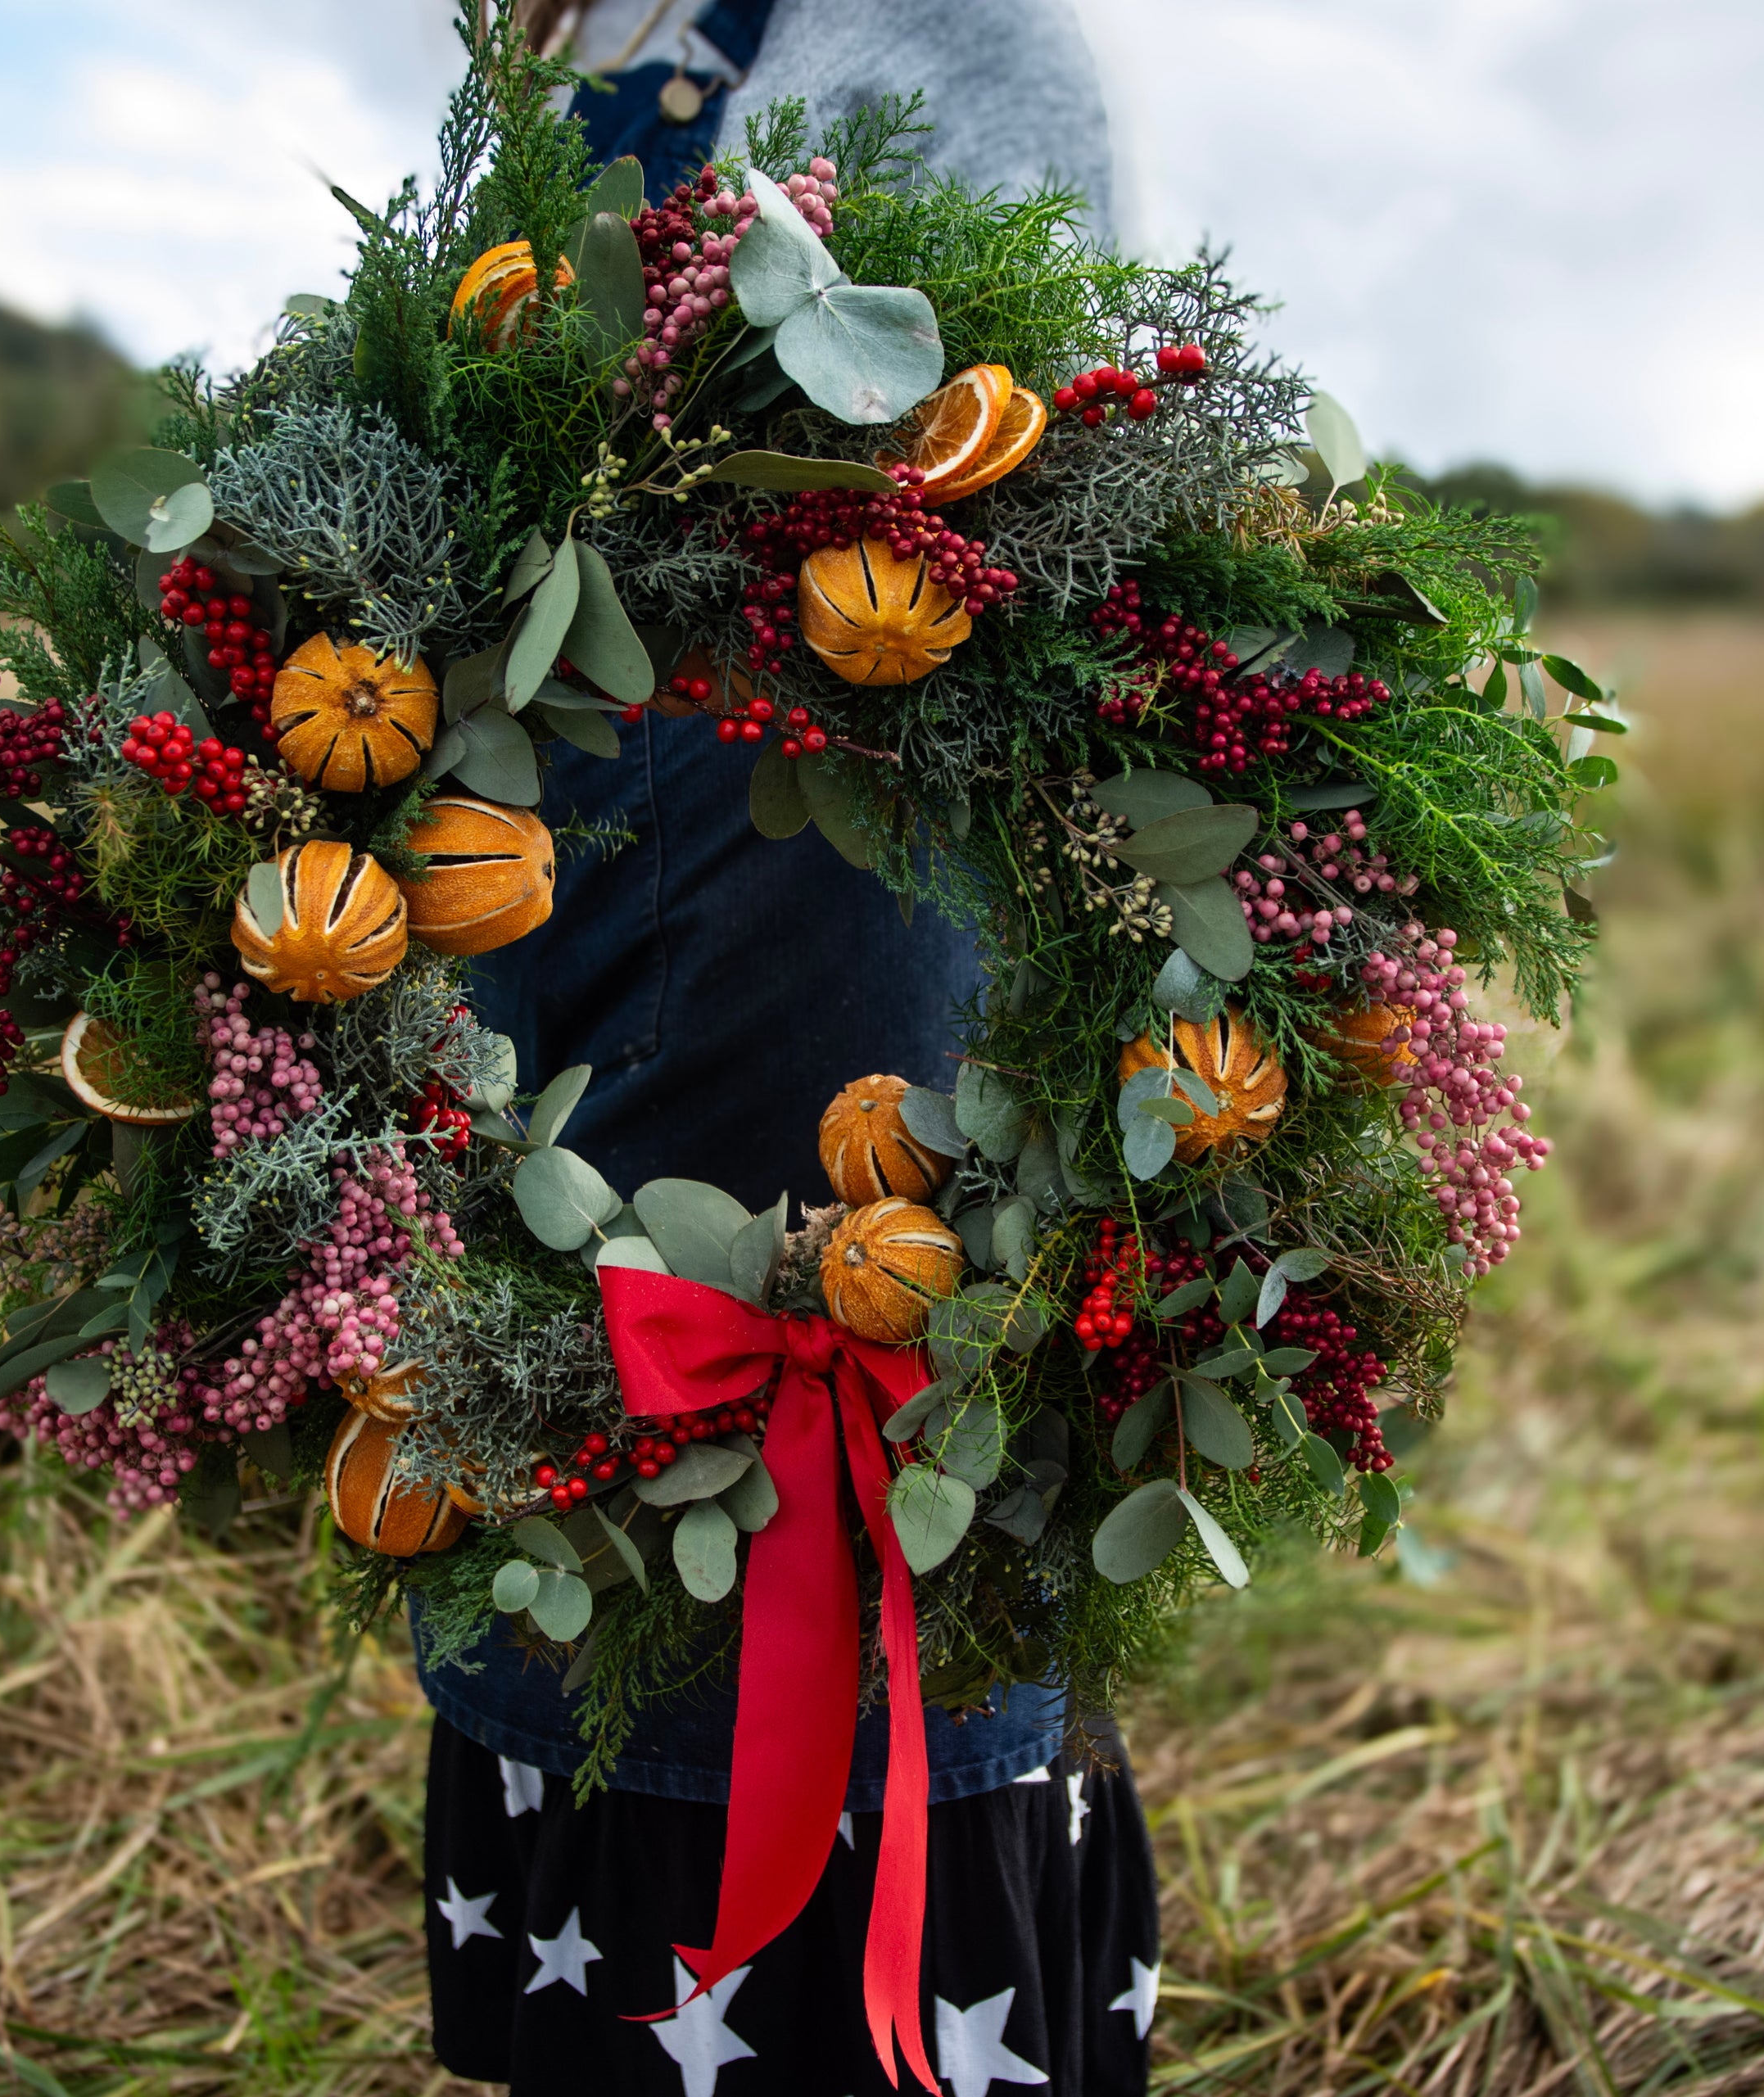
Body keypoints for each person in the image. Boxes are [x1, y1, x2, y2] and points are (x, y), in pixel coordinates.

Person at [415, 4, 1164, 2090]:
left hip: (824, 931)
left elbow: (1029, 501)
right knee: (595, 1536)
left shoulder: (948, 29)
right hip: (552, 936)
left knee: (834, 1569)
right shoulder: (581, 34)